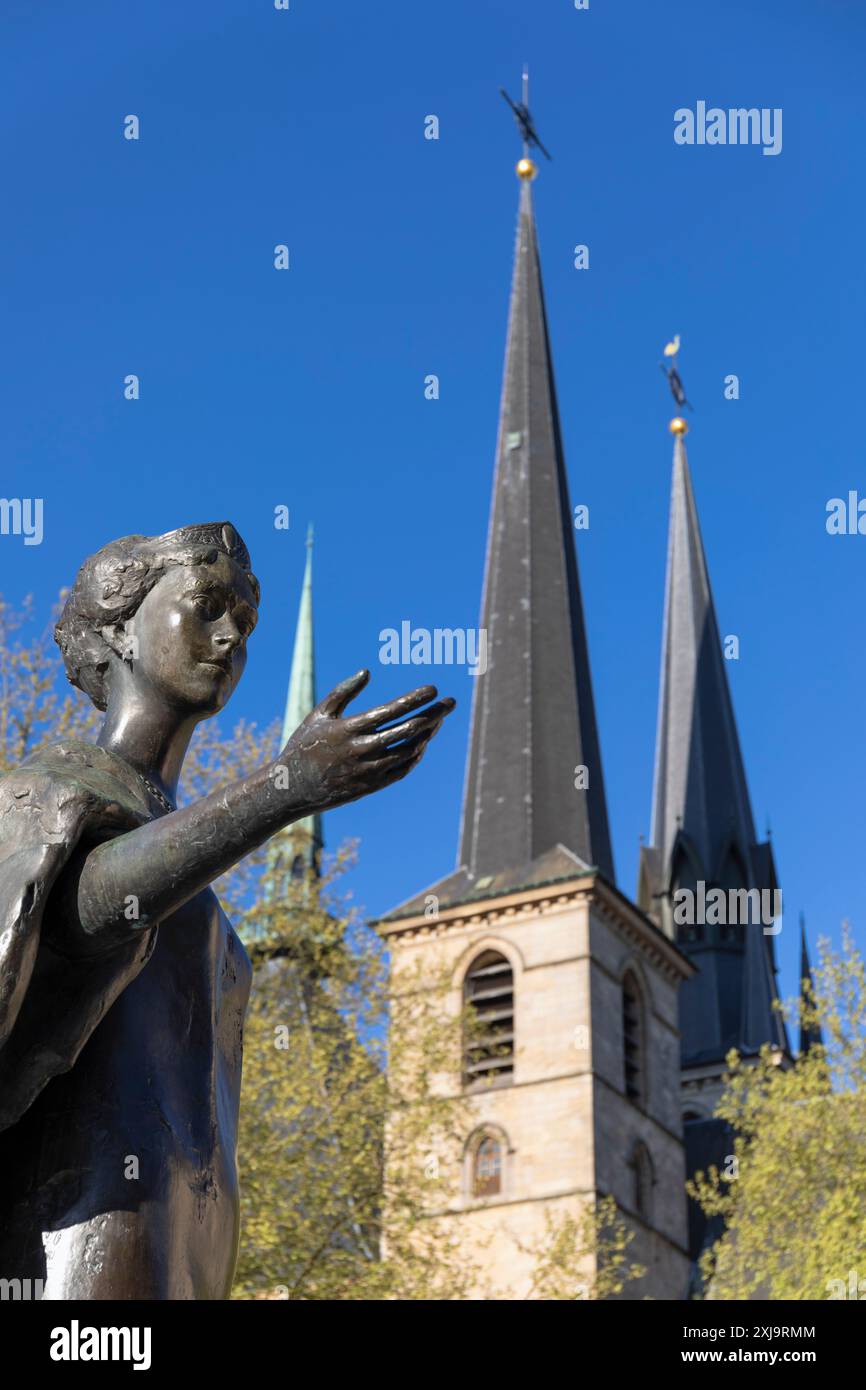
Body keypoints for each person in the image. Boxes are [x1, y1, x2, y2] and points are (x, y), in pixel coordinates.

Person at [0, 521, 453, 1299]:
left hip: (179, 1260)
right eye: (207, 606)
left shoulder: (199, 897)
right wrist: (282, 790)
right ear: (120, 630)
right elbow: (77, 915)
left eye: (243, 620)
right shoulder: (45, 791)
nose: (230, 637)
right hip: (77, 1240)